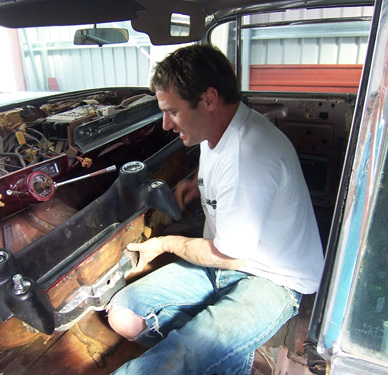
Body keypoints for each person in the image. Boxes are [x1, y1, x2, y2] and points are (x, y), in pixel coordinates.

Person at [107, 44, 325, 375]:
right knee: (123, 313)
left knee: (172, 361)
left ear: (208, 99)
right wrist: (197, 183)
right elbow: (220, 161)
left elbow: (229, 256)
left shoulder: (248, 157)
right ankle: (224, 355)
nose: (166, 124)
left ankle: (204, 353)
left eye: (172, 112)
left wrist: (164, 244)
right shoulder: (217, 128)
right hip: (226, 256)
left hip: (272, 278)